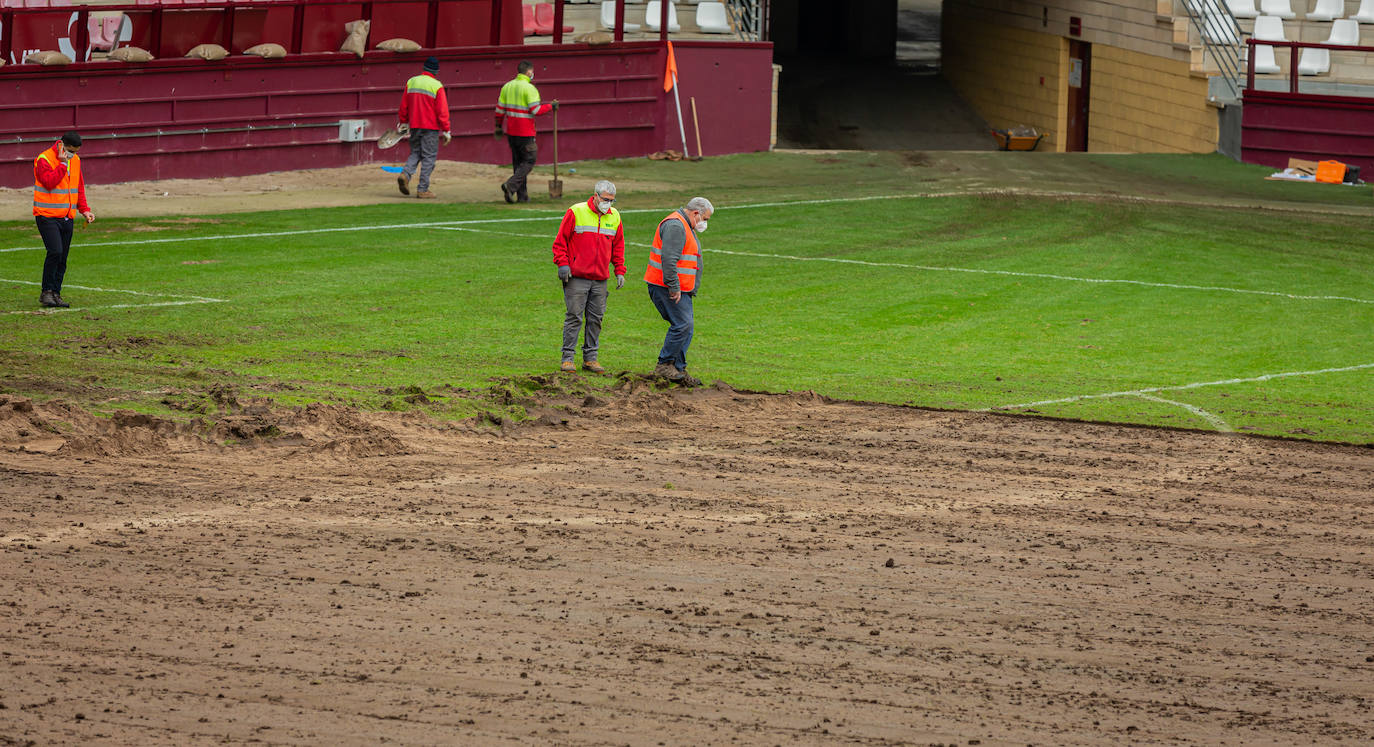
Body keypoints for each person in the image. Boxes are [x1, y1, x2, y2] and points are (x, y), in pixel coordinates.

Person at [551, 180, 626, 373]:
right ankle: (567, 358)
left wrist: (619, 270)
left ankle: (590, 359)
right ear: (595, 195)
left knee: (596, 319)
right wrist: (563, 264)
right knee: (574, 317)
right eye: (605, 199)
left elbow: (618, 246)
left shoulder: (615, 216)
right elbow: (560, 241)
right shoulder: (576, 212)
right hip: (576, 277)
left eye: (611, 200)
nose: (608, 203)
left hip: (600, 278)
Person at [645, 197, 713, 386]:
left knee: (686, 327)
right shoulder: (676, 226)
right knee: (682, 324)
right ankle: (665, 365)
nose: (705, 223)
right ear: (696, 213)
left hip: (681, 288)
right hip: (667, 286)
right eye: (705, 219)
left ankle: (679, 369)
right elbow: (669, 260)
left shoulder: (685, 225)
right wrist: (674, 287)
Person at [33, 131, 94, 309]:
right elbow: (49, 182)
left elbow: (78, 186)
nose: (72, 154)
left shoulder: (75, 160)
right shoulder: (44, 159)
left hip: (67, 217)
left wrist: (85, 210)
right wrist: (62, 164)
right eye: (69, 150)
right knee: (55, 252)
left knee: (62, 257)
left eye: (74, 151)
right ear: (60, 144)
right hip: (46, 215)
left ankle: (55, 293)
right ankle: (46, 292)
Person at [494, 60, 556, 203]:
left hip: (511, 132)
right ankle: (510, 186)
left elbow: (499, 110)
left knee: (518, 164)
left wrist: (498, 126)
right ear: (529, 72)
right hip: (526, 132)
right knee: (529, 160)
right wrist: (550, 106)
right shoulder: (530, 89)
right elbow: (536, 110)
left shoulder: (507, 87)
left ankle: (521, 196)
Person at [396, 56, 451, 199]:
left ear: (424, 68)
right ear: (436, 71)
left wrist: (403, 121)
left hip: (414, 125)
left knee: (415, 152)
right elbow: (442, 111)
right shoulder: (436, 85)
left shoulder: (412, 81)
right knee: (429, 157)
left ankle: (405, 175)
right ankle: (423, 189)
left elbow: (404, 105)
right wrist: (446, 130)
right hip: (430, 127)